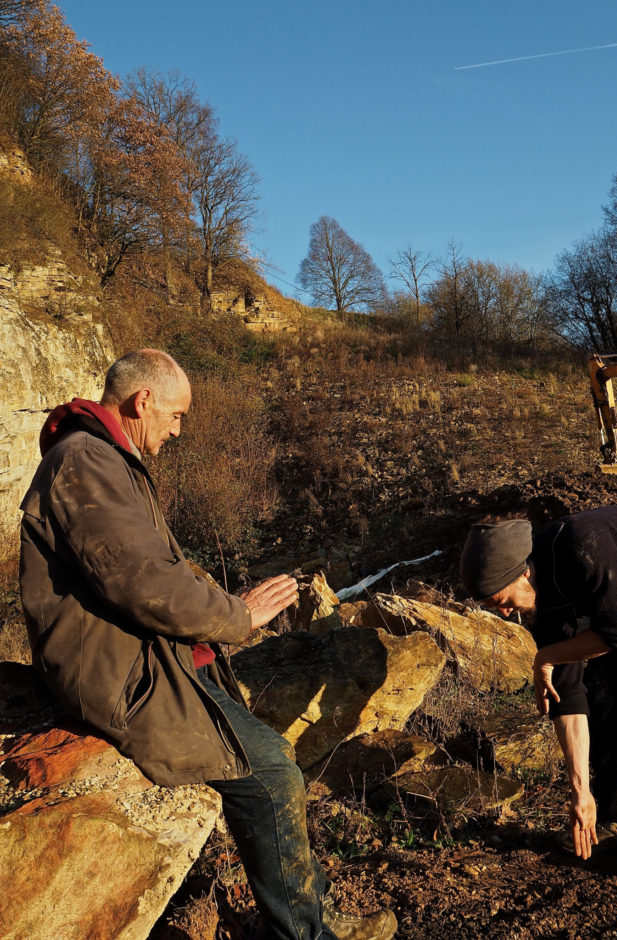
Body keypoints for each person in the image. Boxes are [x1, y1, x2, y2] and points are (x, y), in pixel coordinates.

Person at [19, 348, 397, 940]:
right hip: (125, 676)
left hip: (148, 659)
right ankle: (306, 934)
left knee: (267, 757)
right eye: (175, 415)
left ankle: (313, 914)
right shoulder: (87, 461)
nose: (178, 429)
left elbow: (148, 571)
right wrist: (238, 617)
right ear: (143, 401)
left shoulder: (104, 460)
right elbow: (140, 582)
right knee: (271, 773)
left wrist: (226, 608)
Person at [460, 506, 617, 875]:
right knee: (606, 693)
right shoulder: (541, 601)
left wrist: (546, 658)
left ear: (523, 573)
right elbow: (568, 694)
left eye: (503, 601)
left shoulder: (582, 549)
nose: (506, 615)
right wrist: (580, 791)